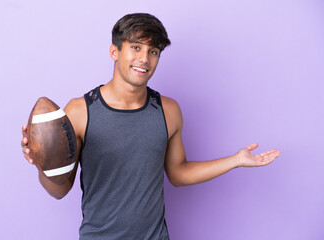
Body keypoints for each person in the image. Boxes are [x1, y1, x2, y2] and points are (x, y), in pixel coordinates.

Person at [21, 13, 281, 239]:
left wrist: (235, 160)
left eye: (153, 51)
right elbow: (59, 191)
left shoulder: (169, 110)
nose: (144, 58)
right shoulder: (79, 111)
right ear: (115, 51)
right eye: (136, 47)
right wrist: (44, 162)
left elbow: (178, 174)